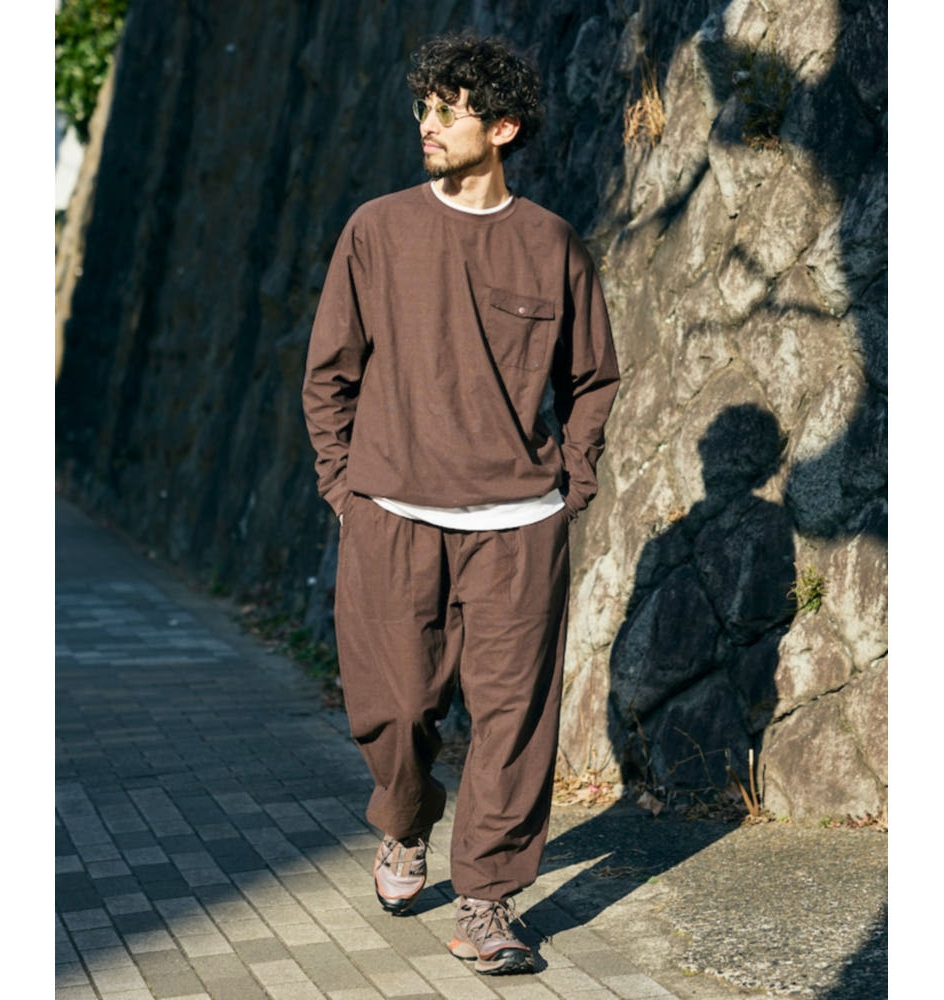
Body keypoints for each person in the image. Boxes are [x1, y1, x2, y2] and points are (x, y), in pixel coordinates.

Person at [302, 31, 619, 976]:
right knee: (397, 708)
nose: (428, 125)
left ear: (503, 127)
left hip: (518, 527)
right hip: (392, 513)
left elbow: (592, 378)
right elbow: (329, 374)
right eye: (424, 108)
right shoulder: (378, 229)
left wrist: (572, 482)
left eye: (450, 111)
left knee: (514, 721)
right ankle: (404, 822)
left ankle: (486, 900)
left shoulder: (551, 243)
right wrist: (344, 487)